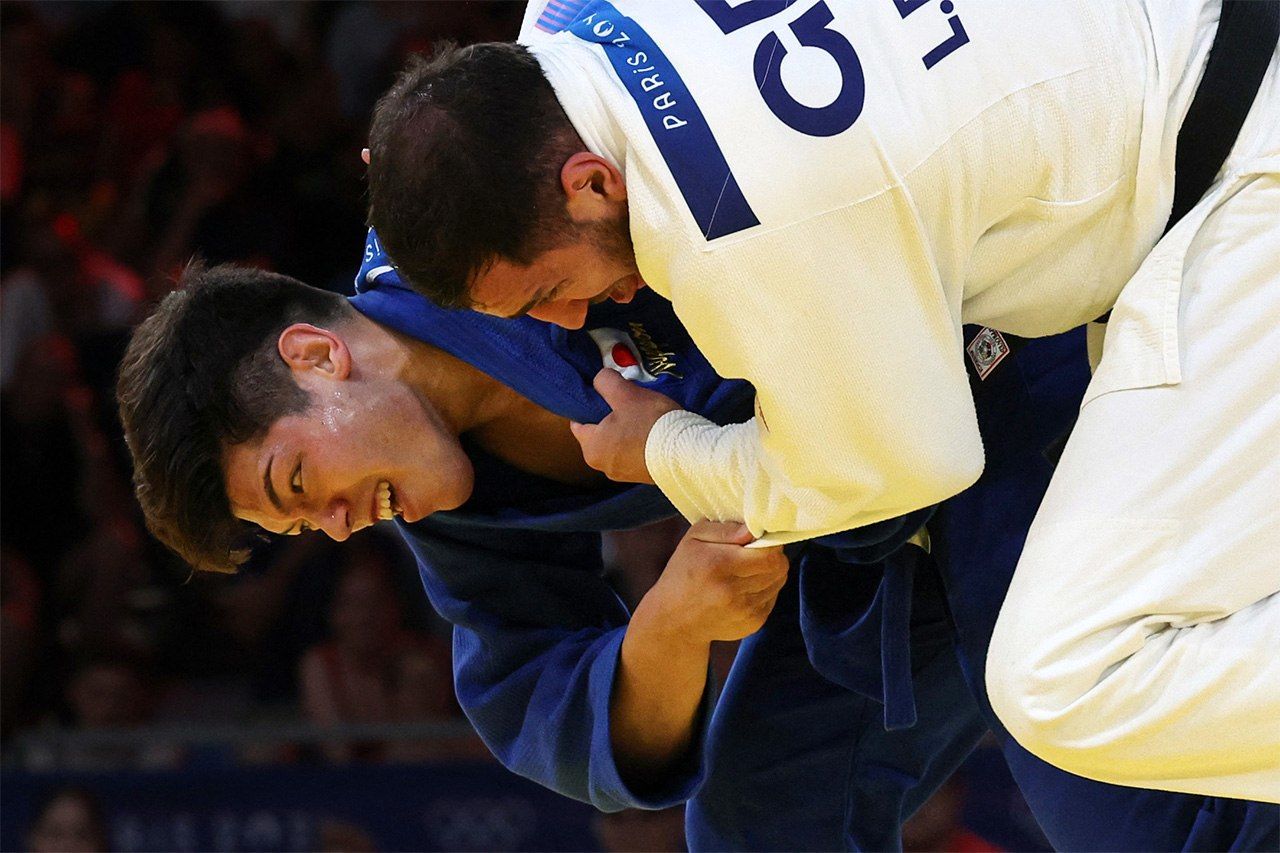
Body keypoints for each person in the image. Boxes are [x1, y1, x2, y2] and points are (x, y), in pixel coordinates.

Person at [362, 0, 1280, 799]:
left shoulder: (710, 223)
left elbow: (908, 465)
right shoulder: (593, 28)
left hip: (1235, 186)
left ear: (590, 183)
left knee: (1066, 679)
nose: (568, 318)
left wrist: (668, 449)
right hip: (1179, 87)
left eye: (545, 290)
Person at [115, 248, 1277, 850]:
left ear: (316, 356)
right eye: (299, 527)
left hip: (983, 380)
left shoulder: (465, 209)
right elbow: (533, 695)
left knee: (1121, 803)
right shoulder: (440, 496)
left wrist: (694, 456)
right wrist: (670, 624)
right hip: (868, 525)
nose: (335, 526)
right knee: (758, 820)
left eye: (297, 483)